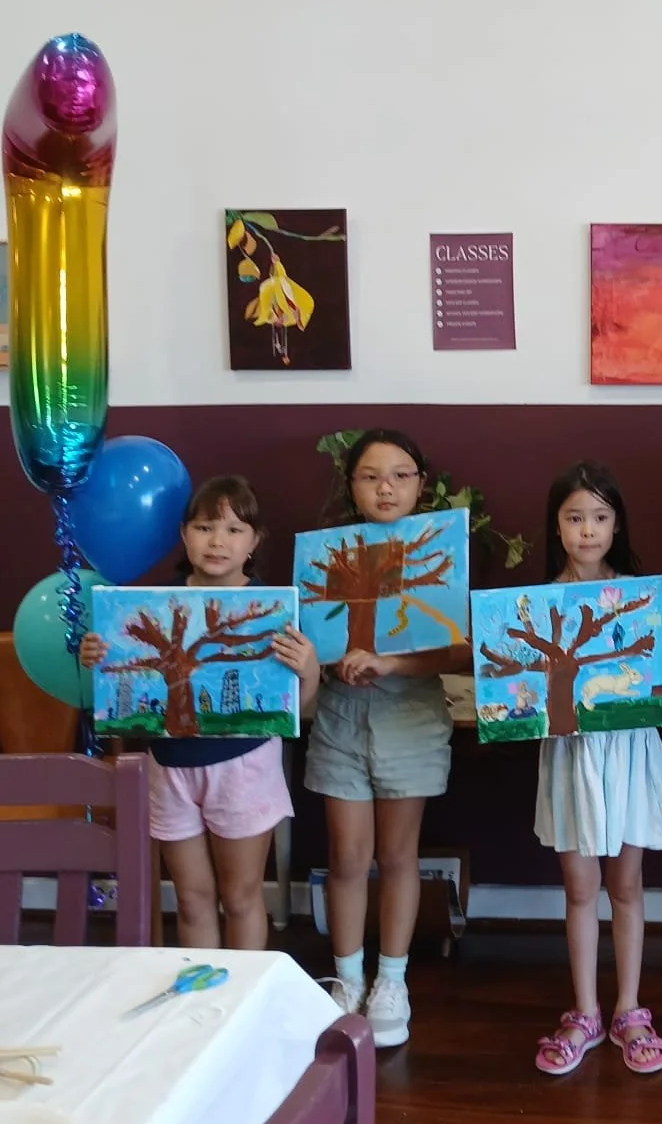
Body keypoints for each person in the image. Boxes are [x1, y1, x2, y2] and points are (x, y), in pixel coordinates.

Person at [79, 475, 319, 951]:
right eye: (205, 527)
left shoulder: (273, 609)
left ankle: (241, 1008)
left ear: (254, 542)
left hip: (244, 767)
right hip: (168, 768)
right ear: (184, 534)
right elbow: (123, 683)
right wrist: (95, 656)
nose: (217, 541)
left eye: (234, 529)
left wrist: (309, 670)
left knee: (242, 896)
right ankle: (200, 1008)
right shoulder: (148, 606)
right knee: (191, 899)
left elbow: (300, 705)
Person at [304, 427, 472, 1048]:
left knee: (399, 855)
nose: (386, 486)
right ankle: (346, 978)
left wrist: (390, 664)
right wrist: (319, 659)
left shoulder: (438, 554)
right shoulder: (327, 555)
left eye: (402, 475)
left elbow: (458, 651)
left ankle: (391, 982)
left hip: (410, 719)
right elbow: (309, 639)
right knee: (347, 857)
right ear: (350, 486)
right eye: (371, 475)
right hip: (342, 719)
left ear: (421, 485)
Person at [531, 462, 662, 1078]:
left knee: (626, 885)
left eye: (598, 517)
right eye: (574, 518)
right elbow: (523, 692)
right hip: (571, 756)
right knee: (579, 887)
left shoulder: (641, 594)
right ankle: (585, 1010)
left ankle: (628, 1008)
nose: (586, 530)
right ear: (557, 526)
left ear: (616, 524)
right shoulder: (537, 604)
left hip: (627, 751)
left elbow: (660, 675)